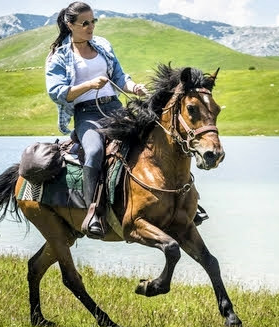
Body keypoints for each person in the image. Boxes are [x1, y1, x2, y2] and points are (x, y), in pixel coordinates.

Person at [45, 2, 207, 239]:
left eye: (93, 21)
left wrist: (134, 87)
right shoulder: (59, 57)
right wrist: (89, 85)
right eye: (85, 23)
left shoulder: (102, 45)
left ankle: (186, 202)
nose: (91, 27)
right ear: (70, 25)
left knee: (159, 137)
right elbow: (56, 91)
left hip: (115, 107)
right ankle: (94, 212)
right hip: (87, 114)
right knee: (94, 152)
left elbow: (120, 77)